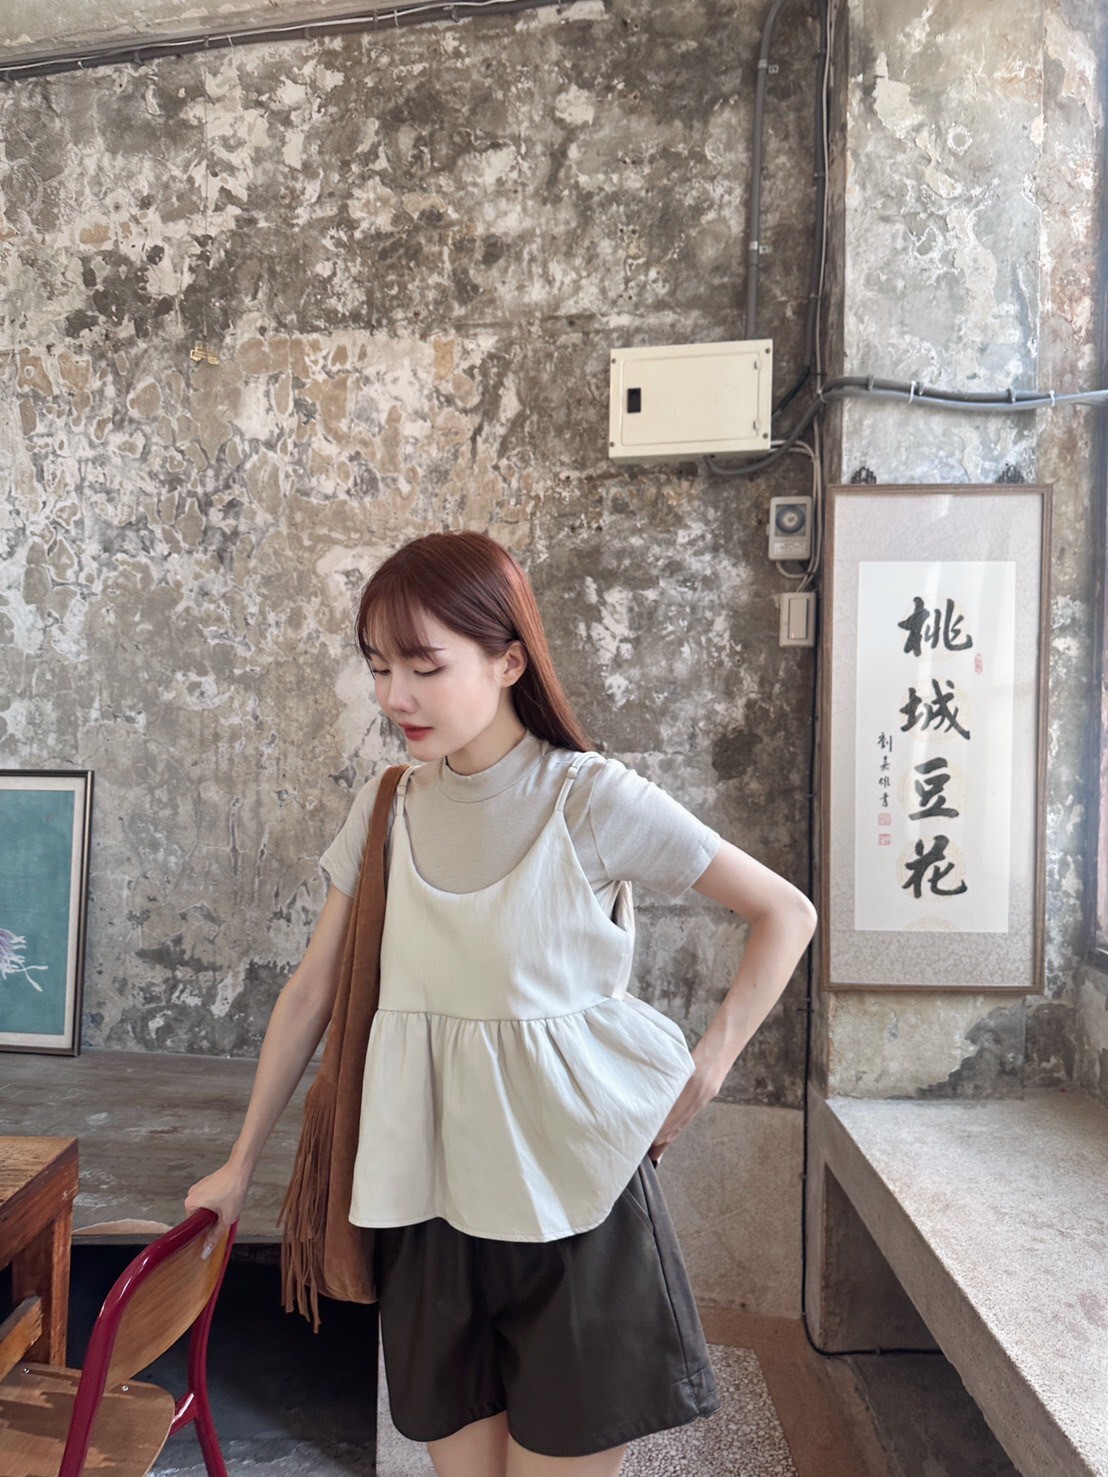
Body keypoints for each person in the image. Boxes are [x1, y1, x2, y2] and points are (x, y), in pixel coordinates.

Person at [185, 529, 817, 1477]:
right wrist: (238, 1166)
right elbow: (311, 991)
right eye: (379, 667)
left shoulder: (589, 798)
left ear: (509, 660)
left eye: (423, 666)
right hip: (426, 1210)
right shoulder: (388, 806)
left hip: (574, 1210)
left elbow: (786, 912)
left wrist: (708, 1066)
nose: (394, 696)